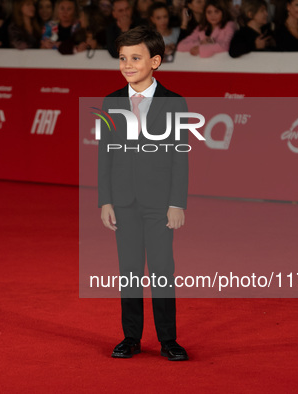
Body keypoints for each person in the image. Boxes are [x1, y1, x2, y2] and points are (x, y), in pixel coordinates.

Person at [98, 25, 189, 362]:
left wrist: (177, 203)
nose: (128, 64)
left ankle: (168, 339)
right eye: (123, 58)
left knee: (163, 270)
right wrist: (105, 200)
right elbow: (104, 156)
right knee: (130, 271)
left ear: (155, 62)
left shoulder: (174, 103)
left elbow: (181, 159)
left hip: (159, 205)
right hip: (123, 203)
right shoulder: (110, 102)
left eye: (135, 58)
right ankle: (130, 337)